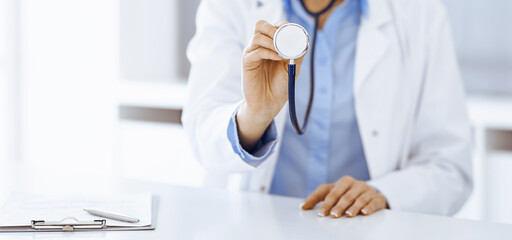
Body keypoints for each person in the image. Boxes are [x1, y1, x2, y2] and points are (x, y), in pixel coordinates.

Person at [183, 0, 472, 218]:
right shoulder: (231, 7)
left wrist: (386, 193)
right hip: (257, 224)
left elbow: (449, 168)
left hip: (367, 229)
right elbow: (202, 132)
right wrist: (254, 116)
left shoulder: (419, 13)